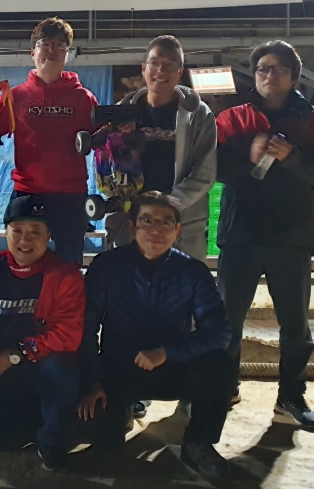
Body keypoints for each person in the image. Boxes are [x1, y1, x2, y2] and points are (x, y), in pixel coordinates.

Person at [216, 40, 314, 433]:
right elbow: (214, 168)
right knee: (226, 321)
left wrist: (293, 158)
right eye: (263, 68)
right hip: (240, 235)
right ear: (255, 74)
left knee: (295, 325)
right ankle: (222, 388)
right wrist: (248, 157)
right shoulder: (233, 118)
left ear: (294, 76)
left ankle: (291, 396)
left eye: (280, 68)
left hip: (292, 237)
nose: (270, 75)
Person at [79, 192, 234, 478]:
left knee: (220, 363)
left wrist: (167, 352)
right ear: (132, 226)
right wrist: (92, 380)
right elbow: (85, 328)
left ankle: (198, 442)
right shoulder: (106, 267)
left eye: (165, 223)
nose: (156, 230)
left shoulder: (193, 272)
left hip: (172, 368)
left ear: (177, 230)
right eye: (147, 221)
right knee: (101, 439)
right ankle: (117, 419)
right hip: (119, 370)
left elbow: (219, 331)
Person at [0, 195, 84, 471]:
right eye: (18, 230)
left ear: (49, 235)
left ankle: (51, 442)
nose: (26, 239)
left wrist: (19, 353)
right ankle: (37, 423)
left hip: (45, 375)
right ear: (5, 232)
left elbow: (67, 335)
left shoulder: (66, 276)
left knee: (63, 363)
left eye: (35, 231)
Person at [0, 17, 99, 266]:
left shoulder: (84, 98)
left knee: (69, 265)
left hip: (71, 195)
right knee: (23, 263)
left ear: (67, 54)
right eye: (45, 44)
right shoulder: (15, 96)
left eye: (59, 45)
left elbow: (102, 141)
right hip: (28, 193)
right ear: (33, 52)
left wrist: (119, 133)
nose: (52, 50)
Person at [105, 35, 217, 260]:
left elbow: (205, 172)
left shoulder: (199, 114)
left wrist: (169, 204)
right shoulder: (121, 111)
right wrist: (118, 141)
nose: (161, 70)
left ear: (179, 72)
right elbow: (105, 169)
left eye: (169, 65)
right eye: (154, 63)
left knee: (183, 282)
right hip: (132, 223)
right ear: (144, 69)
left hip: (182, 224)